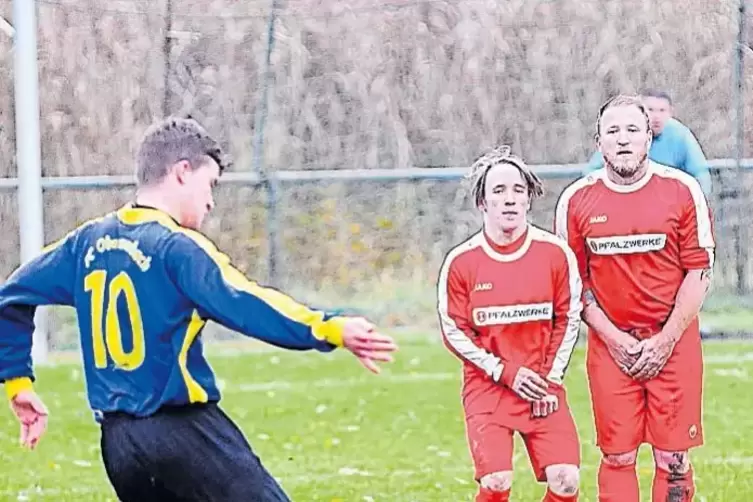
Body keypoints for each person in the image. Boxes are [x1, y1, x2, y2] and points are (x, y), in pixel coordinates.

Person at [0, 117, 398, 502]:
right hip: (182, 434)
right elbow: (246, 301)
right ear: (182, 172)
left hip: (119, 446)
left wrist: (17, 382)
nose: (210, 201)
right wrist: (327, 328)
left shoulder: (87, 243)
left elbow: (12, 297)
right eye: (210, 184)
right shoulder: (176, 247)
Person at [555, 95, 715, 502]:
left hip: (675, 345)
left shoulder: (682, 190)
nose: (623, 140)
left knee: (673, 458)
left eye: (632, 131)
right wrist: (616, 340)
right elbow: (574, 287)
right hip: (611, 348)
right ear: (599, 142)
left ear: (649, 138)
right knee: (618, 456)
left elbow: (699, 272)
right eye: (613, 131)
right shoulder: (575, 200)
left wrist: (664, 341)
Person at [437, 145, 583, 502]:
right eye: (498, 191)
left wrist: (548, 382)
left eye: (518, 190)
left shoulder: (555, 254)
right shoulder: (462, 262)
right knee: (497, 481)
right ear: (482, 203)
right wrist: (504, 372)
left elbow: (569, 318)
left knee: (566, 480)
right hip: (489, 386)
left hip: (541, 383)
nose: (509, 199)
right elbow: (454, 329)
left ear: (529, 198)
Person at [583, 89, 712, 196]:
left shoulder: (680, 135)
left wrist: (696, 202)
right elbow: (591, 171)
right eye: (651, 110)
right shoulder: (622, 137)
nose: (656, 116)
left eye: (662, 111)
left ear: (671, 112)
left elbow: (700, 172)